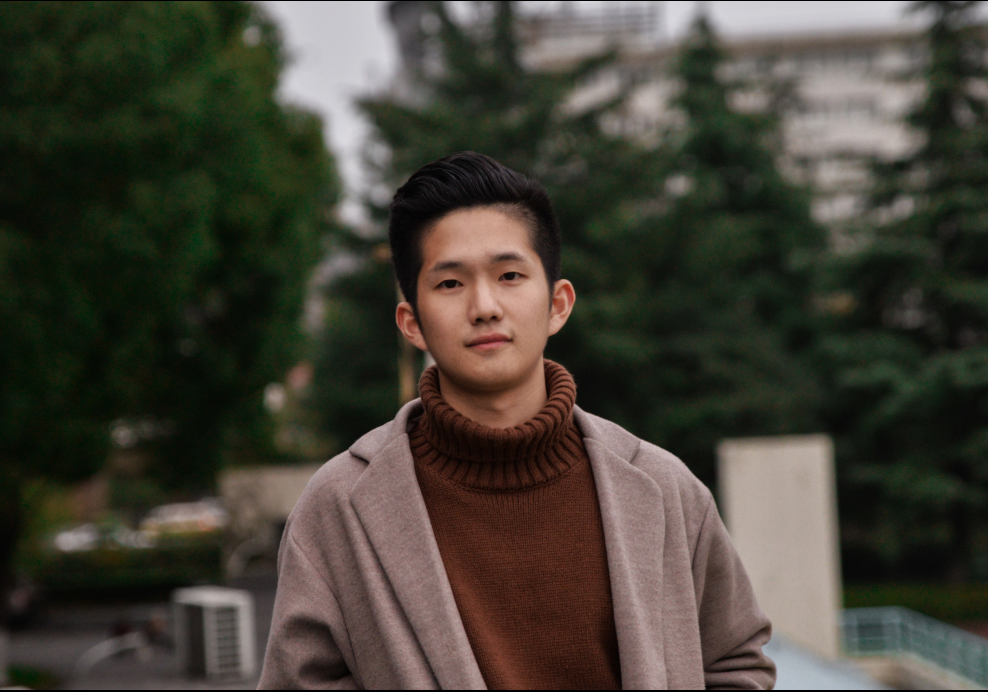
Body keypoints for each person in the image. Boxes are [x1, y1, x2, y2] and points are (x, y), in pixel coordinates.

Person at [259, 152, 775, 690]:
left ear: (558, 304)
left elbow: (736, 661)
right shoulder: (339, 507)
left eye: (509, 275)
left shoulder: (664, 489)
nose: (484, 306)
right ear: (411, 323)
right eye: (450, 283)